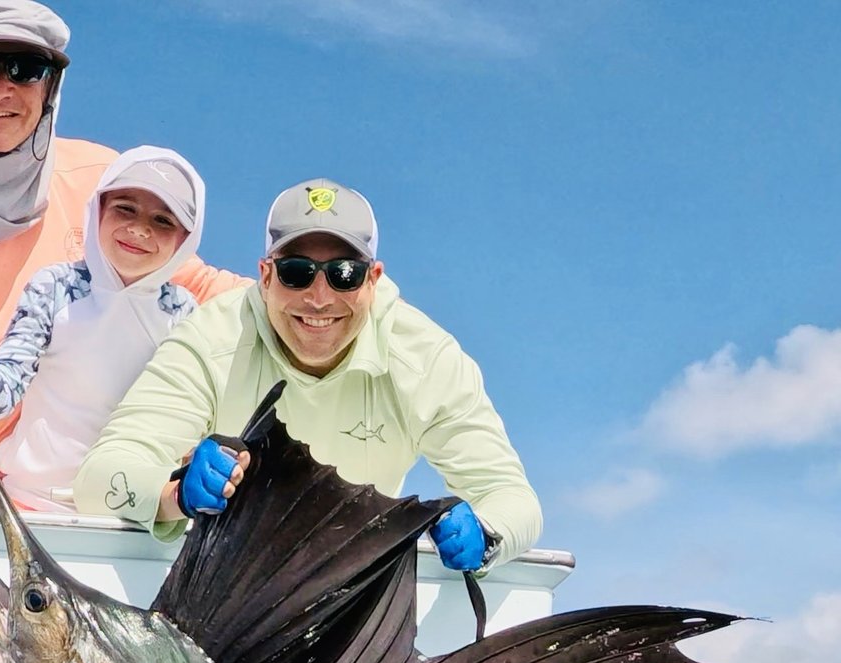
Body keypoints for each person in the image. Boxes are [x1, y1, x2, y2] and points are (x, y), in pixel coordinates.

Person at [0, 0, 243, 505]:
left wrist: (318, 291)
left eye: (25, 69)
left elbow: (198, 286)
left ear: (51, 87)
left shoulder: (101, 181)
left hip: (88, 470)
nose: (0, 88)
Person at [73, 178, 542, 571]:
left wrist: (487, 534)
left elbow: (511, 497)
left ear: (373, 279)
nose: (319, 298)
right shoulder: (211, 337)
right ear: (265, 275)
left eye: (343, 274)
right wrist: (172, 494)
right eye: (297, 272)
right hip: (225, 583)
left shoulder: (427, 358)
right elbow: (100, 477)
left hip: (354, 587)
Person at [0, 145, 205, 512]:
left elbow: (187, 422)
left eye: (163, 221)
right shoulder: (55, 287)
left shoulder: (185, 314)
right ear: (98, 210)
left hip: (131, 516)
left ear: (185, 239)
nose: (140, 229)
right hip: (28, 506)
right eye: (125, 208)